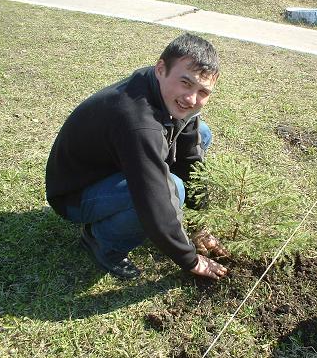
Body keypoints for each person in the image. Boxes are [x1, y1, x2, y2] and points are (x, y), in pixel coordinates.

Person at [45, 33, 228, 280]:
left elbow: (190, 160)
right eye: (185, 83)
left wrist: (198, 224)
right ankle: (102, 243)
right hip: (75, 193)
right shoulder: (138, 121)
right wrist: (190, 260)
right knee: (172, 188)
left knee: (201, 134)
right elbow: (153, 196)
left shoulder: (165, 92)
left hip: (116, 164)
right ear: (161, 68)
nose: (191, 98)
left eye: (203, 91)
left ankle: (148, 219)